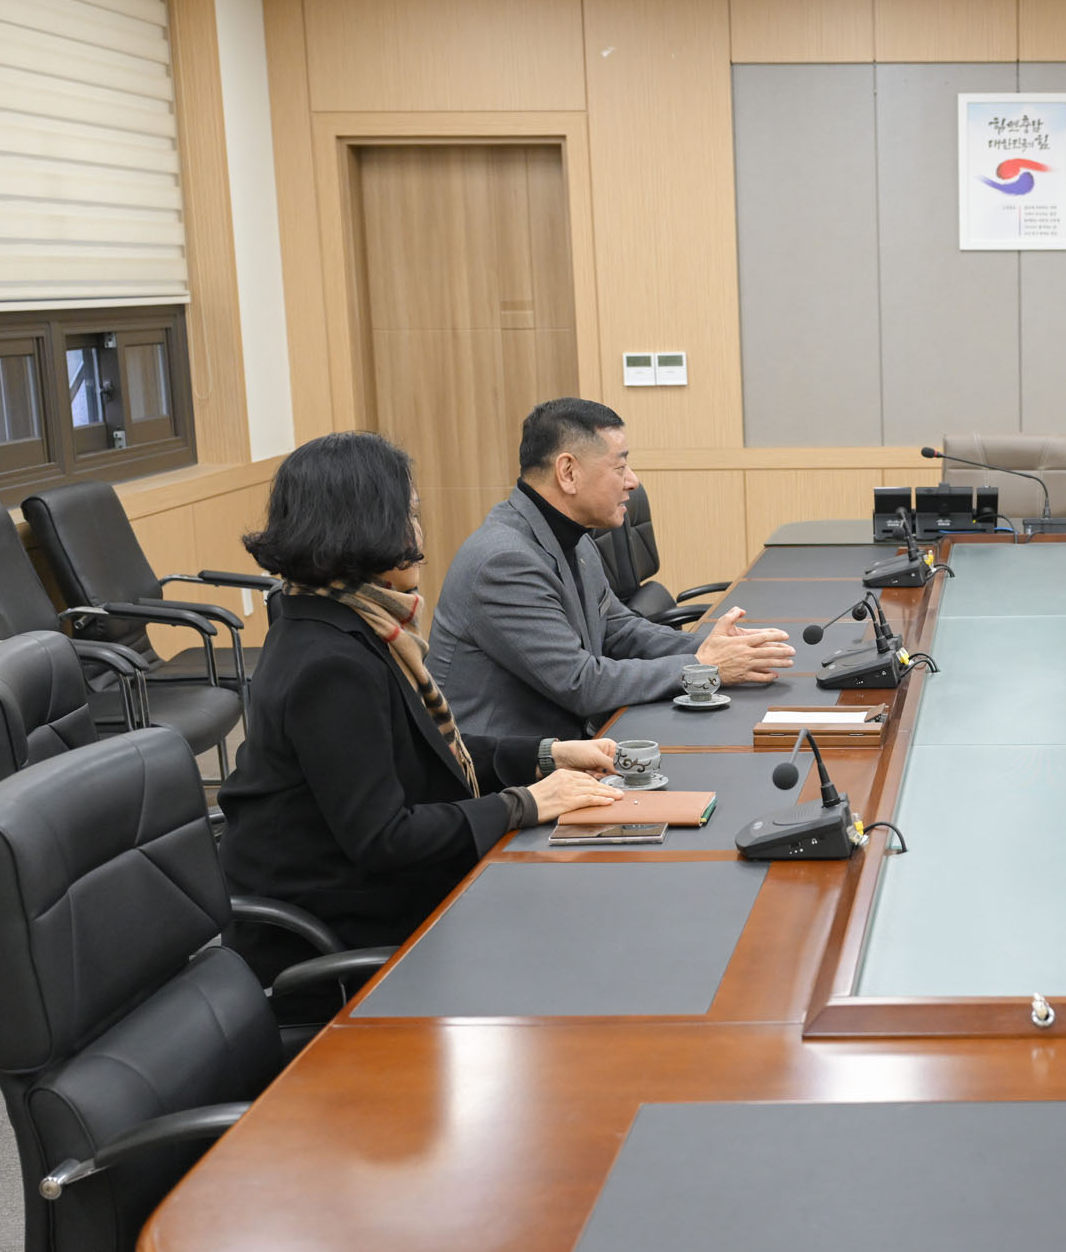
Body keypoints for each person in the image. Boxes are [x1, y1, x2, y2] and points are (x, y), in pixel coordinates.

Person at [219, 432, 626, 950]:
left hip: (371, 890)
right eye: (408, 515)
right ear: (360, 525)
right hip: (335, 925)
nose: (419, 536)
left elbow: (418, 748)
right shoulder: (330, 664)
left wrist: (548, 755)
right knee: (575, 920)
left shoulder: (344, 623)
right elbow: (385, 837)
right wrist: (524, 803)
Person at [427, 398, 795, 739]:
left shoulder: (575, 538)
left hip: (568, 745)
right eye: (619, 467)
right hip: (510, 770)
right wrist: (703, 665)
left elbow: (618, 630)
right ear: (568, 472)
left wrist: (718, 648)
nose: (633, 481)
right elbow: (580, 683)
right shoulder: (505, 563)